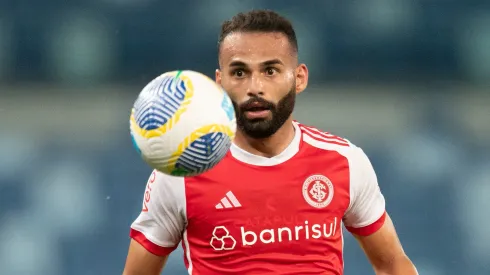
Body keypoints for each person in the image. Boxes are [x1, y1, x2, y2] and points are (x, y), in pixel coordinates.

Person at [122, 9, 418, 275]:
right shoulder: (183, 173)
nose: (255, 87)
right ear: (219, 82)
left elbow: (392, 263)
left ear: (299, 78)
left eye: (270, 71)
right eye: (239, 72)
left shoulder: (344, 161)